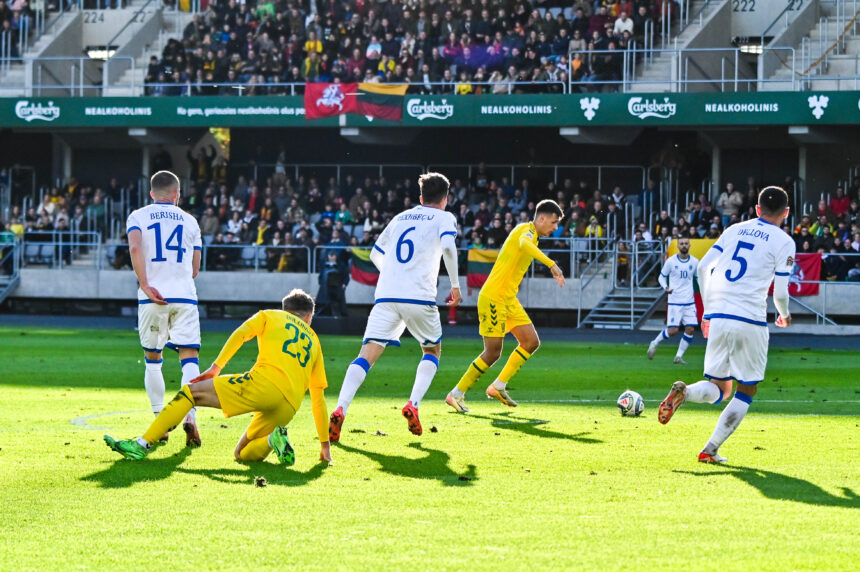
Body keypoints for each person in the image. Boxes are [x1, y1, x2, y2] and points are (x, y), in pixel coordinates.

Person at [104, 290, 332, 465]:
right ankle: (273, 440)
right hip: (289, 405)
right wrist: (325, 446)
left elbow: (241, 334)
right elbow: (318, 399)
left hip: (264, 384)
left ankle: (142, 445)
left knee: (189, 393)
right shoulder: (316, 342)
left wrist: (216, 367)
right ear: (309, 317)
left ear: (284, 309)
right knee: (241, 454)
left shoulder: (271, 315)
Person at [657, 187, 794, 464]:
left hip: (719, 314)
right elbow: (780, 293)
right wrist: (784, 314)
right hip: (750, 318)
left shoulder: (734, 230)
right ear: (786, 213)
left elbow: (702, 268)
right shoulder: (784, 241)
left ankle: (686, 393)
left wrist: (708, 311)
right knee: (747, 389)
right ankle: (710, 449)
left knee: (720, 388)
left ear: (756, 209)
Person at [328, 173, 462, 441]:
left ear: (420, 197)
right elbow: (448, 247)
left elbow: (376, 253)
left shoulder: (400, 218)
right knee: (432, 350)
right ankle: (413, 404)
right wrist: (455, 285)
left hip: (386, 295)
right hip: (419, 296)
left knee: (366, 355)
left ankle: (340, 408)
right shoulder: (444, 218)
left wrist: (393, 273)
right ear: (445, 199)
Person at [446, 200, 566, 412]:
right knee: (492, 353)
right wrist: (551, 264)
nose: (555, 228)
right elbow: (524, 245)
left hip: (509, 299)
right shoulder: (526, 231)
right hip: (494, 298)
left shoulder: (532, 234)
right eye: (554, 223)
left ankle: (498, 386)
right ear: (542, 218)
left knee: (530, 342)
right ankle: (456, 394)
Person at [125, 171, 203, 447]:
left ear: (151, 193)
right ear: (177, 194)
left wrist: (145, 283)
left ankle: (160, 422)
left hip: (152, 297)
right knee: (189, 357)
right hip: (184, 297)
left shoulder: (138, 216)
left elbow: (135, 248)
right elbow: (195, 270)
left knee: (153, 358)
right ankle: (190, 415)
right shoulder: (191, 221)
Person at [647, 237, 699, 364]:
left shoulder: (695, 261)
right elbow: (661, 277)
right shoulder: (671, 261)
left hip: (689, 301)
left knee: (691, 329)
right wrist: (666, 287)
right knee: (673, 331)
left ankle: (678, 356)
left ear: (690, 245)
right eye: (681, 243)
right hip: (675, 301)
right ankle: (654, 342)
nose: (684, 245)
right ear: (678, 246)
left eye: (686, 243)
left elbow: (699, 278)